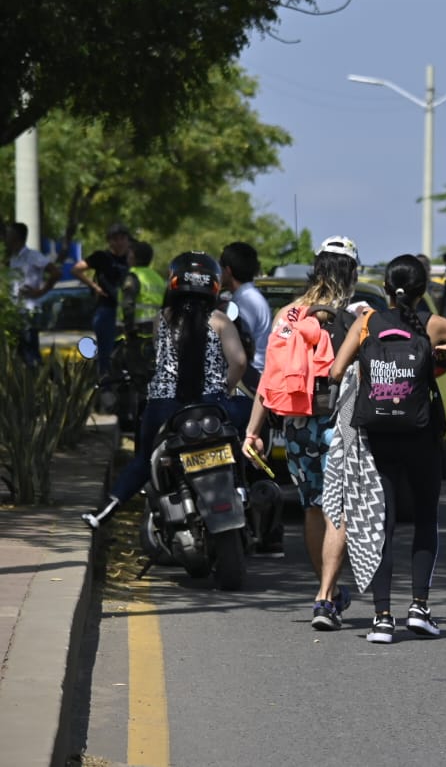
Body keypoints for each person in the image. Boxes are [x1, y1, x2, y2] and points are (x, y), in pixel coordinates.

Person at [325, 254, 446, 642]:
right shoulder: (432, 324)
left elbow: (335, 371)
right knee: (426, 520)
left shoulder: (367, 322)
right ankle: (419, 607)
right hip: (421, 436)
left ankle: (382, 618)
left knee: (383, 526)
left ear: (386, 290)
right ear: (422, 291)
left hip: (378, 436)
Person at [81, 251, 247, 528]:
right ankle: (245, 487)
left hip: (165, 407)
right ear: (214, 285)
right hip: (212, 405)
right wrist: (224, 389)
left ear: (174, 283)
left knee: (145, 459)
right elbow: (239, 362)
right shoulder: (220, 320)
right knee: (246, 432)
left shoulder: (163, 319)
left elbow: (161, 360)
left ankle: (105, 512)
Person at [242, 236, 364, 604]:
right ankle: (326, 594)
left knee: (312, 507)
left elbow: (270, 379)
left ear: (316, 268)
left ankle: (328, 591)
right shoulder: (357, 313)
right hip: (340, 424)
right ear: (353, 271)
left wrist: (253, 430)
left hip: (296, 426)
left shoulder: (289, 315)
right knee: (338, 509)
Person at [72, 222, 132, 377]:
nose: (119, 243)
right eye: (115, 239)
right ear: (109, 241)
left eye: (122, 238)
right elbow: (77, 269)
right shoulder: (101, 257)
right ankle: (106, 389)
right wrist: (94, 286)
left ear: (127, 240)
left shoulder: (132, 258)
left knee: (130, 355)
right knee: (105, 355)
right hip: (107, 310)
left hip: (129, 313)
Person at [219, 242, 272, 392]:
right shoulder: (248, 297)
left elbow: (239, 346)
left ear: (228, 270)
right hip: (250, 378)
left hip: (247, 381)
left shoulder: (246, 301)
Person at [5, 222, 59, 367]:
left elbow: (55, 272)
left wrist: (40, 291)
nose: (5, 238)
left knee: (31, 355)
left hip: (28, 311)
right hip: (15, 312)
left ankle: (38, 384)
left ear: (17, 237)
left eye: (8, 234)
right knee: (18, 355)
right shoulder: (13, 258)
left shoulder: (33, 256)